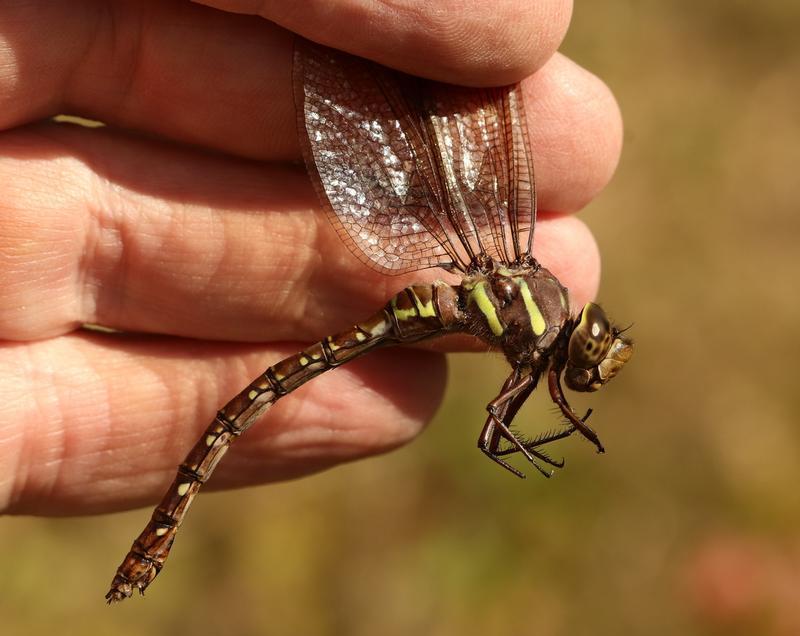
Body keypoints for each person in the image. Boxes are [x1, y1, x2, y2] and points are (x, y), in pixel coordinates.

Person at [0, 0, 622, 517]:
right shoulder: (537, 318)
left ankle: (179, 499)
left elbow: (499, 426)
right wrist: (561, 420)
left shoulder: (534, 310)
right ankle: (179, 496)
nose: (583, 360)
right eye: (590, 351)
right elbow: (497, 429)